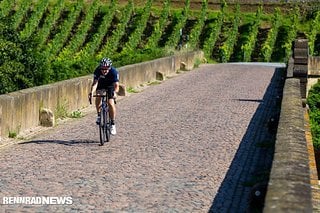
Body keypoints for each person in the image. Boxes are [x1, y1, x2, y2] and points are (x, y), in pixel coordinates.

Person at [88, 58, 119, 135]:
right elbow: (95, 83)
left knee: (110, 103)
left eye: (106, 69)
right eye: (103, 69)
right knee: (98, 95)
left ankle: (112, 123)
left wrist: (115, 93)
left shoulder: (114, 72)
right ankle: (99, 115)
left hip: (110, 85)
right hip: (101, 84)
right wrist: (91, 92)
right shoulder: (97, 70)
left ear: (109, 68)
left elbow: (116, 85)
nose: (104, 71)